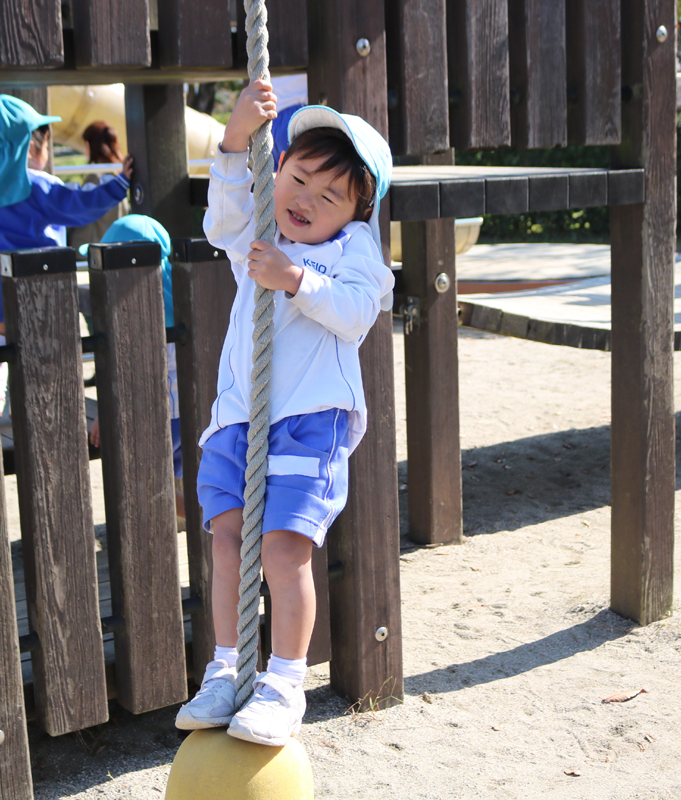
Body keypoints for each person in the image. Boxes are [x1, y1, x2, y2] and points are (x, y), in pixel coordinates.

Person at [174, 80, 393, 746]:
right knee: (227, 541)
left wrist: (296, 279)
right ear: (279, 171)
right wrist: (234, 138)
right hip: (239, 418)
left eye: (329, 197)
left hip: (309, 420)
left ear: (356, 213)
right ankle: (226, 668)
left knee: (283, 549)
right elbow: (221, 220)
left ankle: (285, 682)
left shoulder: (352, 251)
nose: (305, 201)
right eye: (298, 179)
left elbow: (358, 313)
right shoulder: (260, 232)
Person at [0, 95, 133, 414]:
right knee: (43, 347)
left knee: (1, 338)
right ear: (34, 146)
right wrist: (119, 184)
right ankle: (41, 407)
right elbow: (78, 206)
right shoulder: (36, 184)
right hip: (38, 283)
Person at [84, 215, 185, 519]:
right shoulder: (176, 289)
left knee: (142, 482)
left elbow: (127, 373)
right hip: (191, 411)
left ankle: (205, 516)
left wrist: (105, 411)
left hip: (156, 415)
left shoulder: (134, 303)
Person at [66, 121, 130, 252]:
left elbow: (80, 210)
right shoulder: (119, 174)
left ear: (88, 144)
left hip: (90, 248)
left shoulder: (95, 176)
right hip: (115, 246)